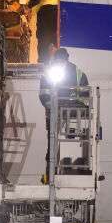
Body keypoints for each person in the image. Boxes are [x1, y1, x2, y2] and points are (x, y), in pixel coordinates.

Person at [39, 47, 90, 182]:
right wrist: (53, 107)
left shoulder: (76, 72)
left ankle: (69, 170)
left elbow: (85, 95)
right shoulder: (50, 72)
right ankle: (50, 175)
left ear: (66, 59)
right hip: (58, 113)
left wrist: (76, 107)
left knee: (68, 142)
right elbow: (44, 94)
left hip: (72, 114)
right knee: (52, 145)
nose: (61, 62)